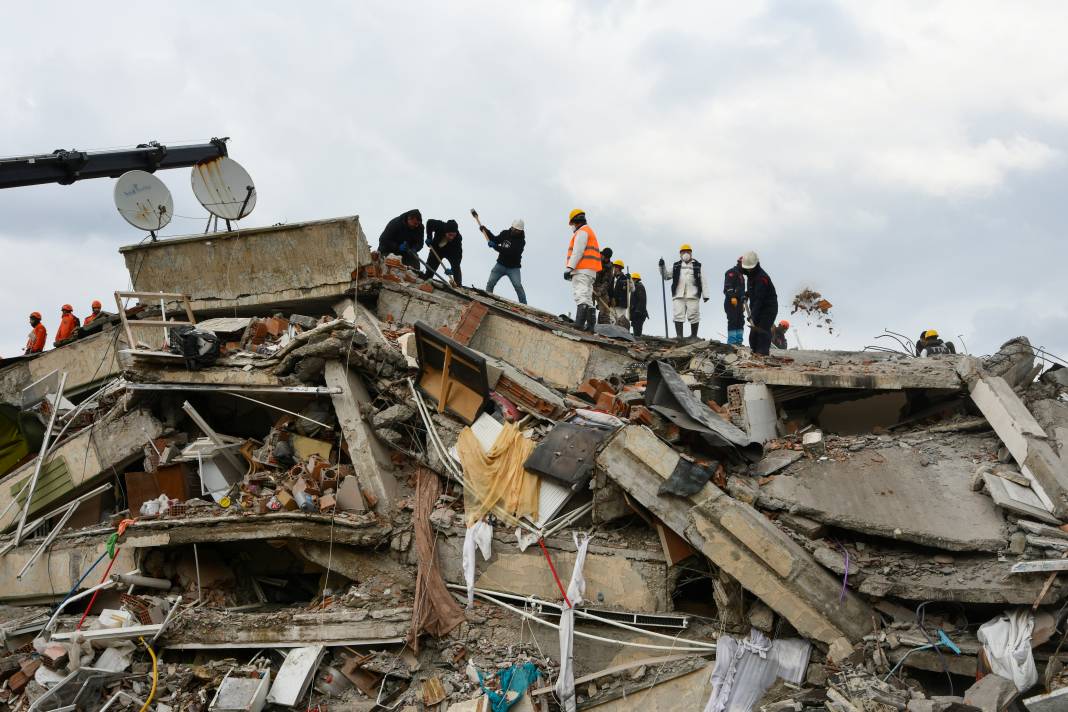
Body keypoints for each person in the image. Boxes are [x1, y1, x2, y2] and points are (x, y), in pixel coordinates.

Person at [659, 244, 710, 339]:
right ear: (680, 254)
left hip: (693, 294)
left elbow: (703, 280)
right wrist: (662, 267)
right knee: (678, 314)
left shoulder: (698, 265)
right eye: (683, 251)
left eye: (688, 251)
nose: (685, 253)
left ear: (691, 253)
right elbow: (666, 276)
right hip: (678, 294)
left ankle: (694, 336)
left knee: (694, 314)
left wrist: (705, 295)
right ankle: (679, 336)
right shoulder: (676, 265)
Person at [563, 209, 602, 333]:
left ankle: (579, 323)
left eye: (572, 224)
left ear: (575, 221)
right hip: (591, 270)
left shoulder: (582, 232)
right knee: (588, 297)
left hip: (582, 269)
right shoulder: (589, 231)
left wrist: (569, 268)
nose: (572, 227)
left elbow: (578, 252)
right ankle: (590, 326)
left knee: (580, 294)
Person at [481, 219, 527, 304]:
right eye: (514, 229)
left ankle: (525, 305)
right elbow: (495, 239)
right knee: (490, 282)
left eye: (518, 230)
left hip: (513, 268)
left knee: (518, 286)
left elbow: (510, 252)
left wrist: (496, 247)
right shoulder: (505, 233)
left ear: (521, 231)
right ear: (512, 227)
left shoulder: (521, 242)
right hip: (500, 265)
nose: (515, 231)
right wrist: (486, 231)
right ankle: (487, 299)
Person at [741, 251, 777, 355]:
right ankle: (754, 351)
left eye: (750, 267)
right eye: (747, 268)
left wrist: (753, 315)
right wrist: (747, 294)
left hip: (768, 308)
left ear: (756, 264)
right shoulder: (751, 274)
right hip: (757, 306)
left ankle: (762, 353)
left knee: (762, 330)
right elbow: (754, 291)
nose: (748, 269)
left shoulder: (762, 278)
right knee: (754, 333)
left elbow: (759, 298)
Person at [423, 218, 463, 285]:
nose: (451, 237)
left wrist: (452, 269)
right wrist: (429, 237)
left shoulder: (458, 239)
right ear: (445, 232)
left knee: (456, 268)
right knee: (430, 266)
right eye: (450, 235)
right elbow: (429, 222)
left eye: (453, 235)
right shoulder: (440, 225)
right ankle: (427, 279)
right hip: (437, 249)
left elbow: (458, 257)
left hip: (450, 252)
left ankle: (458, 285)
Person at [723, 257, 746, 345]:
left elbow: (742, 290)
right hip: (731, 301)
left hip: (739, 302)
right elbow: (728, 286)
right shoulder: (731, 272)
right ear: (740, 263)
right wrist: (732, 297)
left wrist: (743, 302)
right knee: (733, 320)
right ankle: (732, 342)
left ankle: (738, 341)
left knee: (740, 321)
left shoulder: (741, 276)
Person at [592, 247, 615, 324]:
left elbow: (607, 282)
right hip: (591, 285)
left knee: (605, 309)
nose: (602, 257)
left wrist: (600, 292)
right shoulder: (595, 259)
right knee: (587, 304)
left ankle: (603, 326)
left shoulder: (609, 267)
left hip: (601, 288)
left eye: (604, 256)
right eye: (602, 255)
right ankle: (589, 324)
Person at [609, 259, 629, 325]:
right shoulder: (612, 278)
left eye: (615, 267)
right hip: (612, 304)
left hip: (621, 305)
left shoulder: (625, 279)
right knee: (612, 320)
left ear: (618, 268)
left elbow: (632, 288)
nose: (613, 269)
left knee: (621, 321)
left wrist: (630, 279)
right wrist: (611, 299)